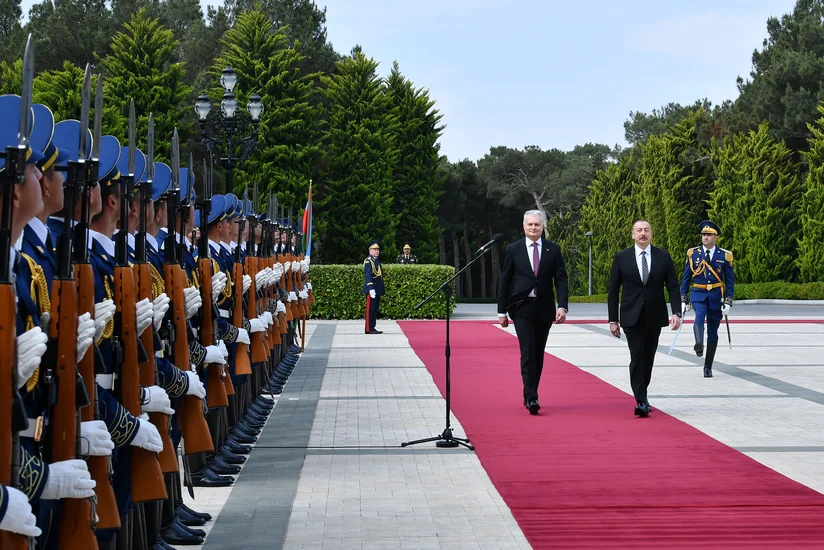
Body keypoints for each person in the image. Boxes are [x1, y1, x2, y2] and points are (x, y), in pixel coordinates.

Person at [608, 219, 682, 417]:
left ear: (651, 234)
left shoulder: (663, 257)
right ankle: (640, 400)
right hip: (631, 316)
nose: (642, 233)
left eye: (646, 230)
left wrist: (676, 312)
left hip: (654, 315)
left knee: (648, 358)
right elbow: (613, 291)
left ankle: (643, 393)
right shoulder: (622, 257)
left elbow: (673, 287)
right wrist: (612, 320)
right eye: (639, 230)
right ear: (632, 234)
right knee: (637, 356)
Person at [497, 210, 568, 415]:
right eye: (530, 225)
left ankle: (532, 390)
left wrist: (562, 306)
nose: (533, 228)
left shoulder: (553, 250)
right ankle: (531, 397)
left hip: (545, 308)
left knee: (538, 353)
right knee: (527, 350)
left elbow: (561, 279)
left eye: (537, 225)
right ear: (524, 226)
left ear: (542, 226)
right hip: (522, 307)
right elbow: (505, 281)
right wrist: (502, 311)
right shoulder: (514, 249)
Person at [680, 220, 735, 378]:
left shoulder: (724, 255)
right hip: (698, 293)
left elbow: (730, 281)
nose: (705, 237)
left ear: (715, 237)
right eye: (703, 234)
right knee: (699, 316)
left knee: (713, 331)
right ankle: (699, 344)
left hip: (716, 295)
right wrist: (683, 298)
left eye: (709, 235)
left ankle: (708, 366)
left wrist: (728, 301)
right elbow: (686, 277)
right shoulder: (693, 253)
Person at [363, 240, 385, 334]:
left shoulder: (376, 261)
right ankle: (369, 328)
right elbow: (368, 276)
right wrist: (371, 288)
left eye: (377, 250)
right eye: (375, 250)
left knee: (375, 309)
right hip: (371, 290)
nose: (377, 251)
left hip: (377, 289)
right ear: (370, 251)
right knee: (370, 310)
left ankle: (372, 327)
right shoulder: (369, 261)